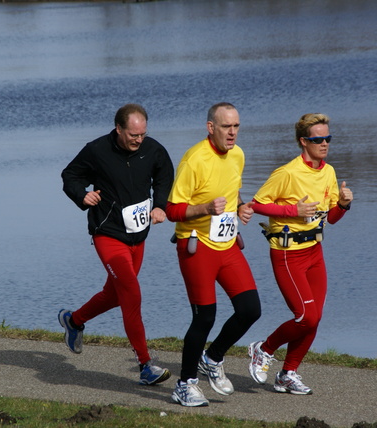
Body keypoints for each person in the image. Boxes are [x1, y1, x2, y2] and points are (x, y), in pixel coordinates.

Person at [59, 103, 174, 386]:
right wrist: (82, 196)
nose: (138, 140)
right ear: (119, 129)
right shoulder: (97, 151)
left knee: (115, 294)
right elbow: (69, 176)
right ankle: (145, 365)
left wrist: (160, 205)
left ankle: (74, 321)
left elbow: (164, 176)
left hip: (138, 237)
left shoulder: (153, 149)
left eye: (142, 134)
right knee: (132, 293)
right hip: (108, 234)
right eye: (133, 134)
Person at [247, 113, 353, 395]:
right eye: (318, 139)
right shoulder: (287, 173)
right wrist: (293, 210)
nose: (325, 144)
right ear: (303, 142)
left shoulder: (328, 172)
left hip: (315, 252)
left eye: (328, 138)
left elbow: (331, 218)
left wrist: (343, 204)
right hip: (287, 253)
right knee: (305, 315)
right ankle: (263, 348)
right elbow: (257, 204)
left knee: (314, 317)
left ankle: (287, 374)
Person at [165, 102, 261, 407]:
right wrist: (204, 209)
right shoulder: (194, 159)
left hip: (227, 244)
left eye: (236, 127)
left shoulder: (238, 155)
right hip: (196, 246)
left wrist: (242, 206)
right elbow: (172, 210)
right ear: (211, 128)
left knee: (250, 309)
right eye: (226, 127)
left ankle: (213, 357)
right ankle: (185, 384)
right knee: (205, 317)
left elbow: (232, 193)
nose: (232, 133)